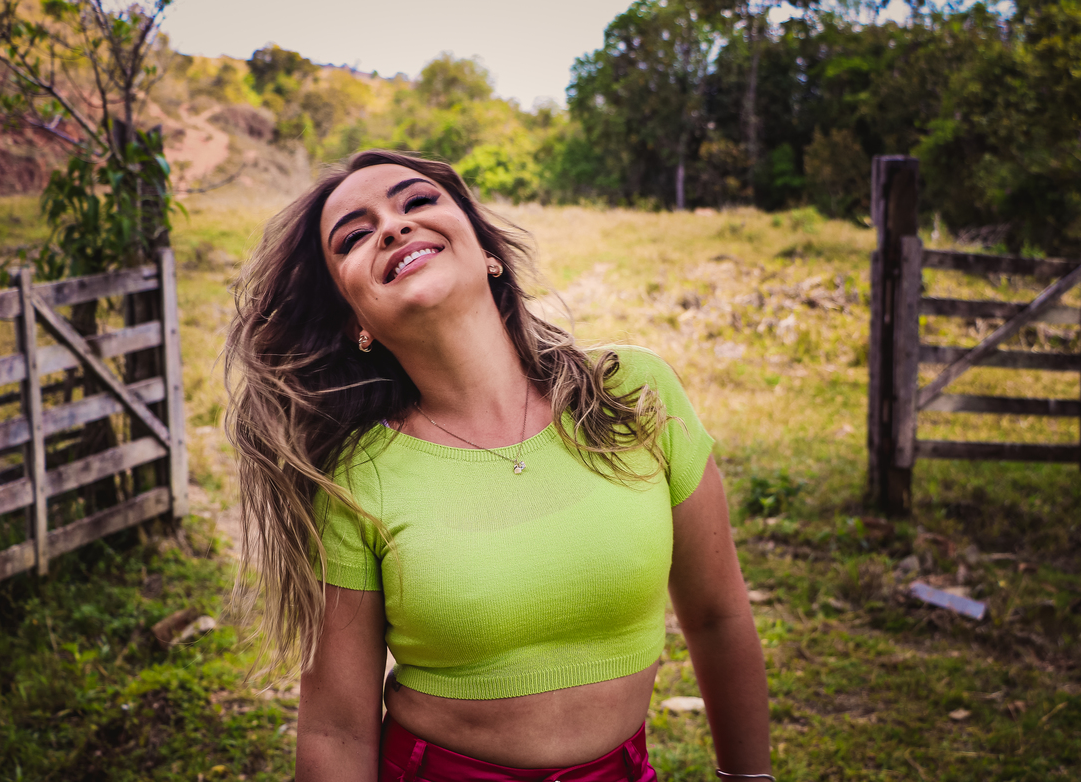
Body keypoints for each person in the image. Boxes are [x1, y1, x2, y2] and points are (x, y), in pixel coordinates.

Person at [224, 149, 772, 782]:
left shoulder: (633, 393)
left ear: (486, 249)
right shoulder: (352, 478)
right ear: (355, 321)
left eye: (417, 201)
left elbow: (718, 617)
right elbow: (335, 729)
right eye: (353, 237)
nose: (393, 227)